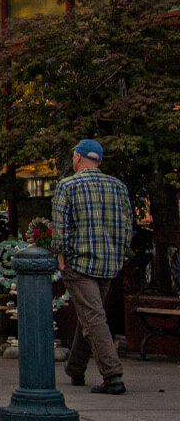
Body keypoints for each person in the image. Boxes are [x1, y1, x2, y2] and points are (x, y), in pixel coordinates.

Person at [53, 139, 134, 394]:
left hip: (80, 263)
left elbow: (60, 226)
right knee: (90, 314)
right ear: (98, 160)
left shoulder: (67, 185)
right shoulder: (118, 187)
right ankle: (75, 368)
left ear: (77, 157)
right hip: (109, 262)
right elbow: (126, 226)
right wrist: (120, 256)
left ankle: (113, 375)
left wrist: (60, 256)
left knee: (93, 317)